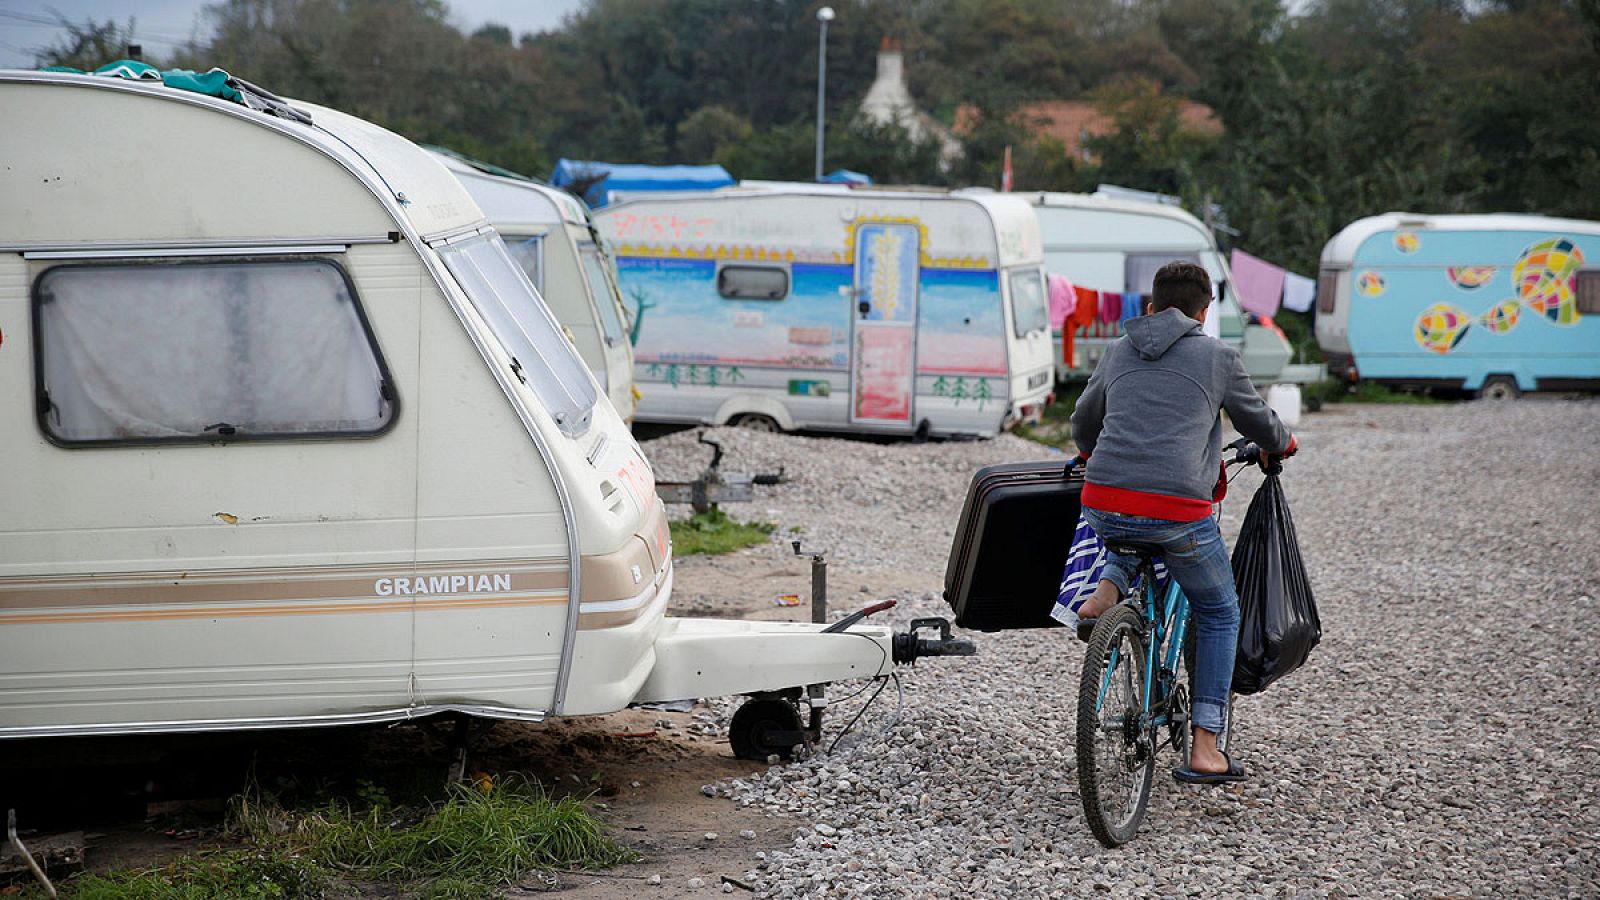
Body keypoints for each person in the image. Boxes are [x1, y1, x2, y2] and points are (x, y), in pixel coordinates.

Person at [1068, 261, 1296, 785]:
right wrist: (1281, 442)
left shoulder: (1119, 349)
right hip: (1177, 513)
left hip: (1103, 499)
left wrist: (1088, 452)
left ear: (1150, 306)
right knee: (1219, 610)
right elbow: (1256, 419)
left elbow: (1084, 420)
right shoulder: (1218, 356)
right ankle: (1207, 747)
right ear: (1204, 312)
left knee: (1130, 523)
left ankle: (1106, 590)